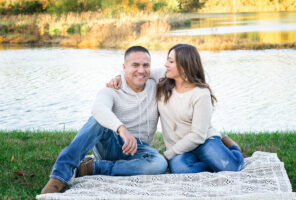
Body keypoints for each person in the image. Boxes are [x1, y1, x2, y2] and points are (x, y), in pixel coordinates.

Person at [41, 46, 168, 194]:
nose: (141, 70)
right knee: (98, 120)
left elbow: (176, 72)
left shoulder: (156, 86)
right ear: (124, 67)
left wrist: (132, 73)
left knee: (159, 164)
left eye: (146, 65)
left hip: (140, 150)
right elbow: (98, 109)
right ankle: (59, 177)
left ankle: (93, 167)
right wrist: (122, 129)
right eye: (135, 65)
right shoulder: (112, 89)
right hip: (112, 145)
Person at [108, 44, 244, 174]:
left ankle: (231, 147)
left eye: (171, 62)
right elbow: (138, 71)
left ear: (184, 66)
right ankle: (211, 163)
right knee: (181, 170)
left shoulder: (201, 94)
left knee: (231, 168)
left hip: (204, 141)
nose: (166, 64)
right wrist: (118, 76)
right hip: (179, 147)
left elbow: (197, 136)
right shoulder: (163, 78)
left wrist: (167, 156)